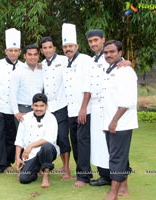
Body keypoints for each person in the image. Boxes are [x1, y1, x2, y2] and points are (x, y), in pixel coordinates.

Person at [86, 29, 132, 187]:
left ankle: (119, 180)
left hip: (112, 108)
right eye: (90, 41)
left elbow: (124, 65)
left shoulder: (112, 58)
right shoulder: (92, 60)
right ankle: (104, 176)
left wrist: (129, 62)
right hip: (97, 107)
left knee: (115, 148)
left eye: (96, 40)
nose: (93, 44)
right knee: (99, 145)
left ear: (103, 40)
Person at [102, 40, 138, 200]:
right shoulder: (110, 69)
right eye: (106, 52)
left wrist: (114, 121)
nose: (108, 55)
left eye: (112, 52)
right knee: (120, 156)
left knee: (116, 158)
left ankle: (113, 194)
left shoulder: (126, 71)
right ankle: (124, 188)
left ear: (120, 53)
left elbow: (127, 101)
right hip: (110, 121)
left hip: (120, 123)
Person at [61, 23, 93, 187]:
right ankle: (81, 172)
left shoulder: (85, 60)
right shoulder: (66, 62)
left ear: (77, 46)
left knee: (83, 142)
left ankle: (84, 176)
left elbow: (88, 87)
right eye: (65, 46)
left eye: (71, 46)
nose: (68, 48)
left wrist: (83, 109)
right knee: (75, 142)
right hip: (70, 111)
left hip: (83, 110)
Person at [0, 28, 22, 177]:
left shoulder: (23, 66)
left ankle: (8, 163)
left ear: (20, 52)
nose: (13, 53)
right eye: (10, 50)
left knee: (12, 137)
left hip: (15, 110)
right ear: (5, 51)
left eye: (16, 50)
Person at [39, 36, 71, 180]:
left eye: (49, 47)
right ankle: (43, 166)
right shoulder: (41, 65)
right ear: (41, 50)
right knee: (50, 138)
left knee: (63, 137)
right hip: (48, 108)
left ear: (54, 48)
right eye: (44, 48)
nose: (47, 50)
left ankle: (67, 169)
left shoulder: (64, 60)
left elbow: (85, 62)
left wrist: (123, 61)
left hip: (62, 105)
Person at [15, 93, 59, 188]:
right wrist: (18, 158)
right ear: (32, 105)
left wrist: (30, 146)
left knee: (46, 146)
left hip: (47, 151)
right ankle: (36, 169)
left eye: (42, 106)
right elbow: (19, 139)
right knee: (24, 179)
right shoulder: (25, 118)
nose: (38, 109)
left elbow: (49, 139)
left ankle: (46, 176)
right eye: (36, 105)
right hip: (30, 155)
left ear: (46, 106)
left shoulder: (51, 118)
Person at [10, 44, 43, 123]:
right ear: (24, 56)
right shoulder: (18, 71)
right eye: (30, 54)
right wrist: (16, 112)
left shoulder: (42, 69)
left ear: (38, 56)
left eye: (35, 54)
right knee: (24, 135)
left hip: (39, 108)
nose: (33, 57)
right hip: (23, 109)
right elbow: (12, 93)